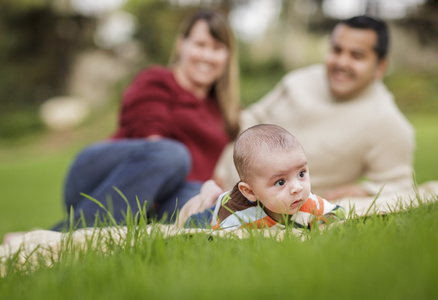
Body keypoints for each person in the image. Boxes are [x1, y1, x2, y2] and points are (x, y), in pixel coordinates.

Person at [52, 9, 241, 230]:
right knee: (172, 154)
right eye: (200, 45)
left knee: (201, 197)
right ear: (181, 45)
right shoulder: (156, 80)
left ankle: (80, 232)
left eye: (217, 48)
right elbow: (153, 143)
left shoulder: (225, 110)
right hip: (102, 181)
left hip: (161, 198)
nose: (207, 56)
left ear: (227, 55)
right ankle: (59, 235)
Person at [214, 15, 415, 201]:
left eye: (357, 56)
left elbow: (401, 185)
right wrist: (219, 170)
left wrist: (365, 191)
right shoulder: (298, 81)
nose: (342, 62)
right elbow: (250, 119)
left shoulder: (386, 121)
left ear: (380, 67)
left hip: (272, 209)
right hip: (216, 179)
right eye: (336, 50)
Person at [181, 124, 346, 230]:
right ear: (250, 191)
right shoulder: (237, 218)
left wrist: (326, 225)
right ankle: (209, 196)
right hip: (218, 211)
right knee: (188, 219)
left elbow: (336, 213)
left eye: (301, 173)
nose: (297, 187)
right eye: (280, 182)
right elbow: (215, 239)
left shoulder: (307, 202)